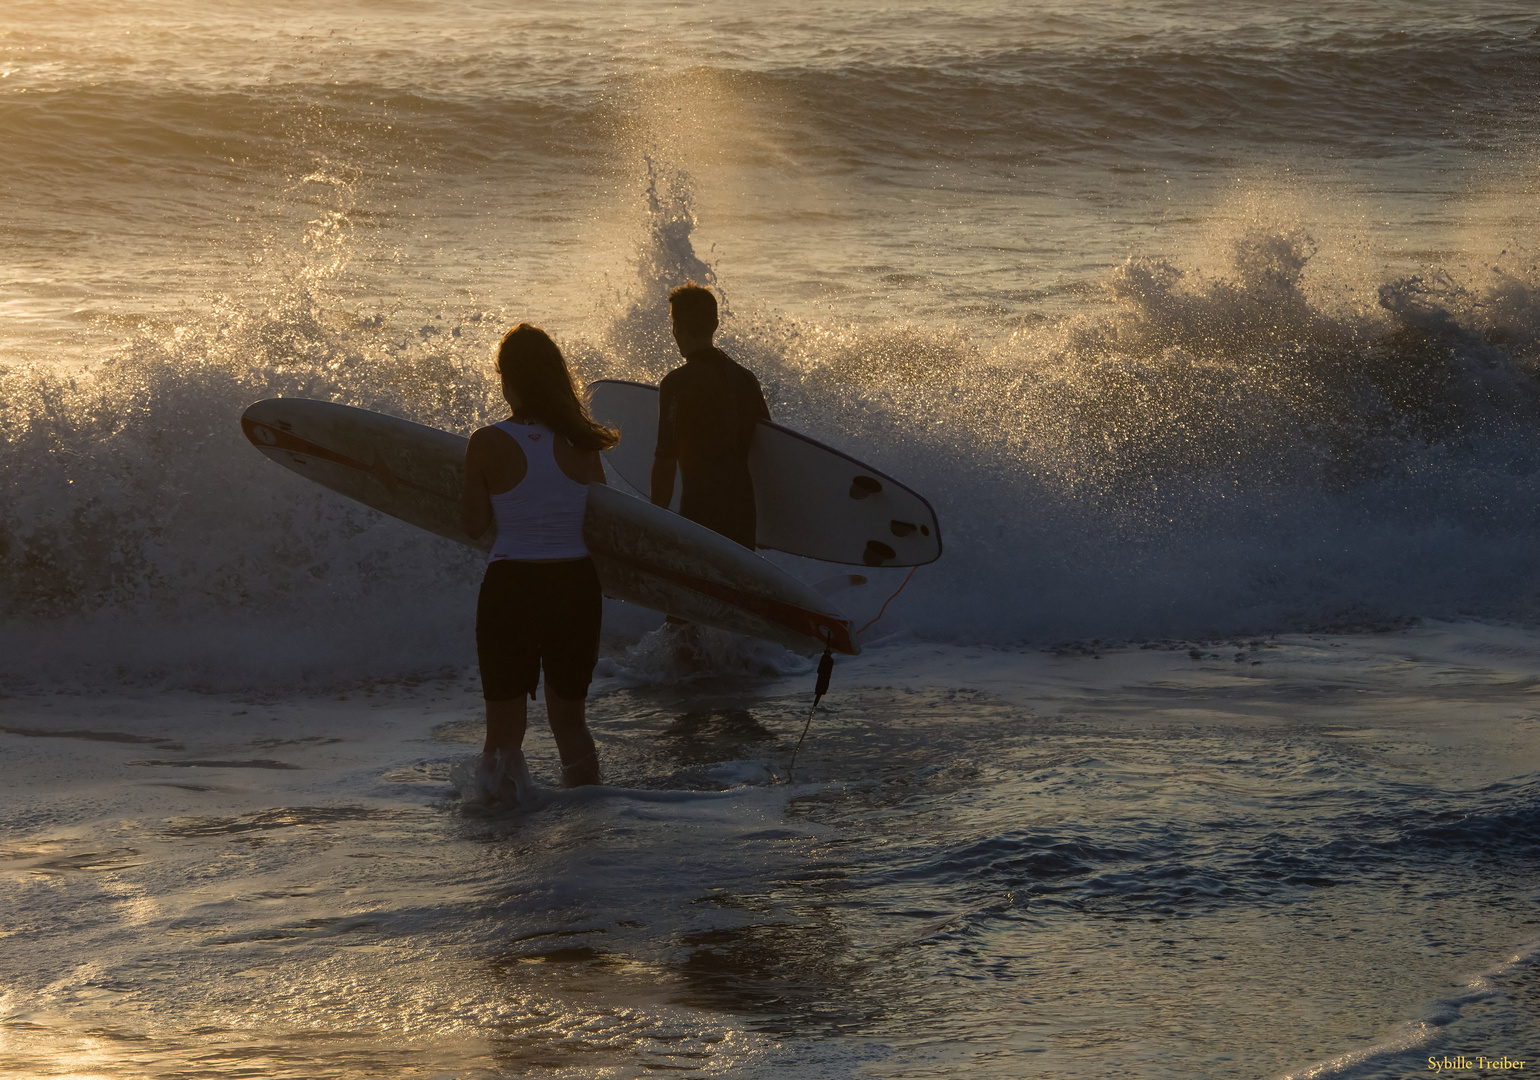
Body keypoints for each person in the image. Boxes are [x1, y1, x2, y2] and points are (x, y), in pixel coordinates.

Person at [460, 323, 617, 797]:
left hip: (513, 587)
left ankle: (504, 839)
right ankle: (590, 827)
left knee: (504, 734)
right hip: (575, 585)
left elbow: (472, 524)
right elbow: (601, 519)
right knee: (571, 723)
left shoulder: (485, 441)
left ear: (508, 379)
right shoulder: (583, 443)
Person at [650, 282, 770, 549]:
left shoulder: (676, 384)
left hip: (700, 518)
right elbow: (766, 450)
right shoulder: (746, 380)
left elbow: (666, 458)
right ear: (715, 324)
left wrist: (652, 523)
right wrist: (770, 528)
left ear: (676, 327)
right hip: (744, 518)